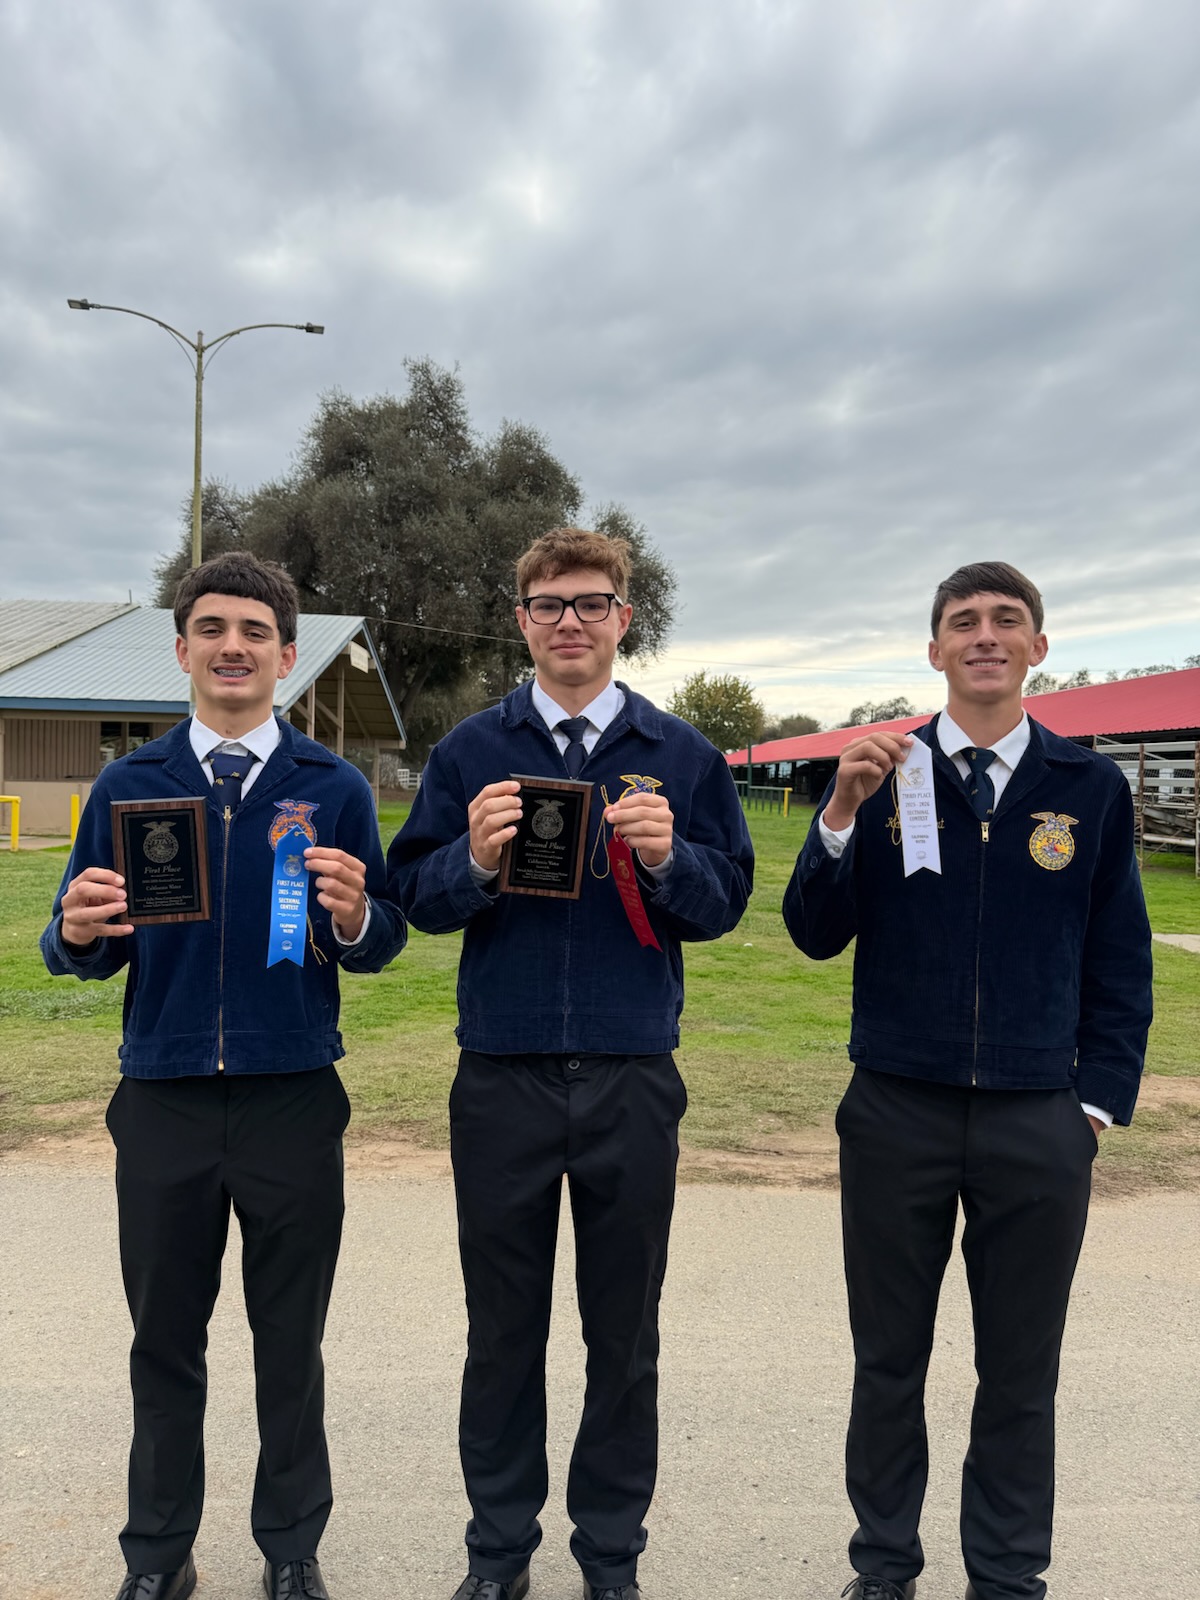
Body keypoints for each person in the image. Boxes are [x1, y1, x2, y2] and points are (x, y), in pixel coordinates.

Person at [389, 527, 753, 1600]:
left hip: (632, 1076)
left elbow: (725, 901)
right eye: (548, 605)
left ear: (623, 618)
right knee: (502, 1333)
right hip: (500, 1075)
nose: (570, 622)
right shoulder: (470, 752)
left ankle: (610, 1555)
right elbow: (415, 897)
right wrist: (473, 858)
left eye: (592, 603)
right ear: (521, 621)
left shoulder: (681, 753)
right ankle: (499, 1553)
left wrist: (669, 858)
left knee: (623, 1336)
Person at [41, 552, 407, 1600]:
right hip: (162, 1098)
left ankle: (291, 1548)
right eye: (212, 628)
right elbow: (78, 942)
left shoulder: (332, 788)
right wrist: (75, 933)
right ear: (182, 649)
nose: (233, 646)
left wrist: (357, 918)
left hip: (294, 1096)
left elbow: (381, 937)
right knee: (164, 1342)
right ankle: (159, 1555)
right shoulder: (128, 785)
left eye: (255, 631)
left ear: (287, 657)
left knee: (290, 1341)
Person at [784, 561, 1153, 1600]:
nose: (985, 634)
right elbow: (813, 933)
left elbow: (1121, 960)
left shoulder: (1088, 789)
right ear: (935, 649)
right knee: (887, 1361)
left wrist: (1091, 1106)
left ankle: (1005, 1573)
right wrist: (839, 814)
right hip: (896, 1107)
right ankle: (884, 1566)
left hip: (1038, 1118)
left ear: (1039, 646)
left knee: (1020, 1369)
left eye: (1006, 619)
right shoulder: (882, 773)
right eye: (963, 621)